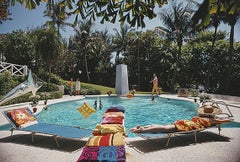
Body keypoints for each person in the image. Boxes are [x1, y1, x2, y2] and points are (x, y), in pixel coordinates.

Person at [130, 116, 231, 133]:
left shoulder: (200, 117)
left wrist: (225, 119)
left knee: (162, 126)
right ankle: (142, 129)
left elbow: (223, 120)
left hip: (185, 123)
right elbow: (223, 121)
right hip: (186, 125)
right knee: (163, 127)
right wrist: (227, 119)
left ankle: (143, 128)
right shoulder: (210, 120)